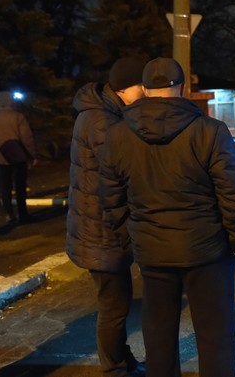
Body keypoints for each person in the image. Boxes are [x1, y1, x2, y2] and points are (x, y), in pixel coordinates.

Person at [99, 57, 235, 377]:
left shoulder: (117, 135)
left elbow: (111, 199)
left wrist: (133, 239)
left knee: (159, 337)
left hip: (153, 252)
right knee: (216, 338)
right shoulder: (210, 131)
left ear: (145, 89)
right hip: (208, 250)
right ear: (182, 88)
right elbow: (234, 193)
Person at [66, 57, 147, 377]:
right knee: (114, 306)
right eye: (143, 86)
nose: (146, 92)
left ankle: (121, 360)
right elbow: (118, 173)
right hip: (101, 232)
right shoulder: (104, 122)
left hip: (95, 229)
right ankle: (114, 368)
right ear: (129, 89)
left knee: (116, 303)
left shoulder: (101, 114)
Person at [0, 90, 36, 224]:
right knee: (20, 185)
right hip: (18, 156)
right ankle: (23, 214)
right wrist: (31, 155)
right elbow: (26, 138)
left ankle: (9, 214)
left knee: (5, 187)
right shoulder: (18, 116)